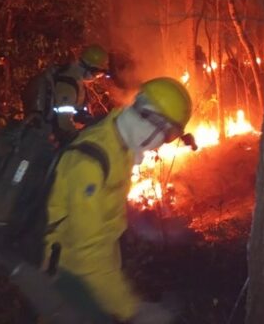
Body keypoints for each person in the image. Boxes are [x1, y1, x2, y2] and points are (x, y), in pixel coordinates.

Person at [43, 76, 192, 323]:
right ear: (150, 122)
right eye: (166, 137)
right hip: (67, 276)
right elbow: (87, 255)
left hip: (98, 274)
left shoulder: (117, 140)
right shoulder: (91, 164)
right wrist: (132, 309)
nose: (160, 146)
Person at [21, 44, 110, 145]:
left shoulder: (72, 76)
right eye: (97, 74)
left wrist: (83, 117)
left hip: (50, 134)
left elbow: (69, 109)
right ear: (90, 68)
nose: (96, 77)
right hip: (49, 139)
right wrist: (81, 139)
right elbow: (63, 122)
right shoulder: (69, 84)